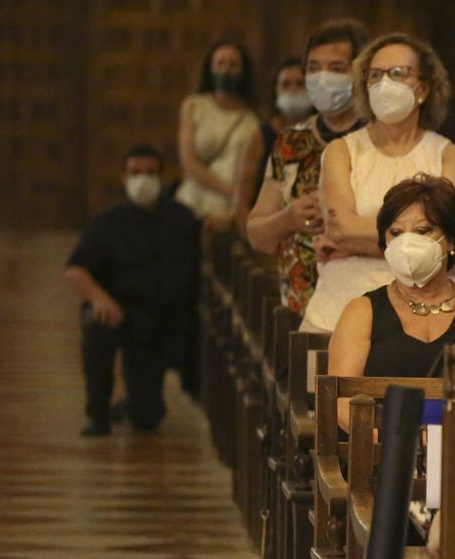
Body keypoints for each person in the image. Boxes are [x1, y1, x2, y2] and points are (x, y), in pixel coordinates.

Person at [301, 32, 455, 332]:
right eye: (375, 75)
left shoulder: (449, 156)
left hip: (429, 312)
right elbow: (340, 228)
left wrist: (355, 244)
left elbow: (446, 241)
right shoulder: (341, 152)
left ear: (423, 89)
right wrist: (416, 238)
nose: (384, 84)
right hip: (337, 310)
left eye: (397, 74)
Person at [327, 174, 455, 428]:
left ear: (449, 239)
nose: (407, 243)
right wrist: (403, 448)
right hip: (380, 455)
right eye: (396, 232)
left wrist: (452, 447)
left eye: (422, 230)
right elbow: (341, 405)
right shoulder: (362, 312)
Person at [65, 145, 200, 436]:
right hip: (113, 310)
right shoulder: (107, 222)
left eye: (150, 173)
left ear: (162, 178)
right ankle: (97, 414)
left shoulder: (181, 219)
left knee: (146, 419)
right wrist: (99, 298)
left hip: (155, 321)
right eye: (135, 173)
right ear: (124, 178)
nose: (143, 179)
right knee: (96, 325)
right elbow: (75, 269)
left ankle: (135, 404)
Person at [246, 18, 370, 315]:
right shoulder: (291, 142)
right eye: (314, 68)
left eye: (337, 69)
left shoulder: (379, 141)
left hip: (364, 306)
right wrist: (288, 218)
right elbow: (257, 234)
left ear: (361, 74)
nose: (323, 78)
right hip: (301, 308)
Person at [175, 39, 259, 229]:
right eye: (220, 64)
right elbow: (189, 162)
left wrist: (239, 199)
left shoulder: (252, 120)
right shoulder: (194, 106)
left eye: (233, 64)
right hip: (193, 202)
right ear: (210, 68)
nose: (226, 70)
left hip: (229, 210)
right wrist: (232, 191)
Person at [232, 57, 310, 232]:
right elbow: (242, 200)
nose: (293, 90)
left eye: (300, 84)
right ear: (275, 90)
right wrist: (254, 237)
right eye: (286, 84)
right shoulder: (261, 135)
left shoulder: (322, 134)